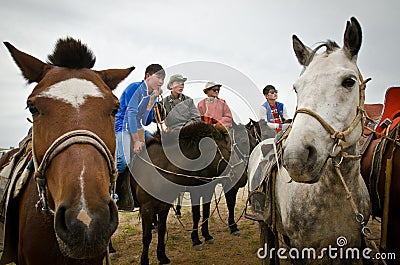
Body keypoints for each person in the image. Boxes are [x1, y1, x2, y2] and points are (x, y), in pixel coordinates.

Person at [114, 63, 165, 175]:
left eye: (163, 79)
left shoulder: (153, 95)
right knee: (123, 161)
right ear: (148, 76)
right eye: (158, 77)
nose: (161, 82)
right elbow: (130, 115)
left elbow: (146, 121)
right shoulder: (134, 88)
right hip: (123, 127)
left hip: (137, 128)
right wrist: (136, 140)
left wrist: (152, 101)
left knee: (157, 149)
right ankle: (111, 189)